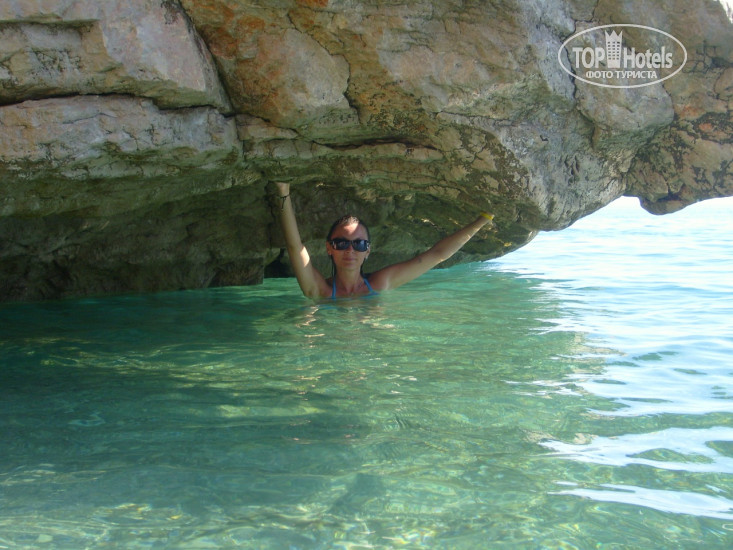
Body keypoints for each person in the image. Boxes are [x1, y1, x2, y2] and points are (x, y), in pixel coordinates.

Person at [274, 182, 494, 299]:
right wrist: (283, 191)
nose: (350, 250)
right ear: (329, 248)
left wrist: (483, 219)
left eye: (359, 244)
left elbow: (437, 255)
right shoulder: (319, 291)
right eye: (342, 243)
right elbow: (295, 247)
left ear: (368, 251)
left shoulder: (380, 284)